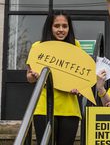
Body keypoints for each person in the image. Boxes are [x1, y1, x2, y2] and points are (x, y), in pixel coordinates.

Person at [26, 11, 81, 145]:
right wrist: (34, 76)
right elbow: (29, 78)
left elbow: (80, 77)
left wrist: (79, 88)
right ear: (50, 27)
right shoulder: (37, 47)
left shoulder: (76, 46)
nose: (61, 30)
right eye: (57, 26)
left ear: (69, 28)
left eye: (65, 26)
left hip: (70, 109)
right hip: (44, 107)